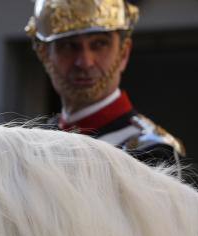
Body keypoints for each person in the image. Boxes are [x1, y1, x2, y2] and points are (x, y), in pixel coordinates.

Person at [26, 0, 184, 165]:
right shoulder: (34, 143)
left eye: (99, 44)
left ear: (123, 53)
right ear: (44, 55)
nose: (85, 62)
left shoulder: (153, 152)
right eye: (68, 46)